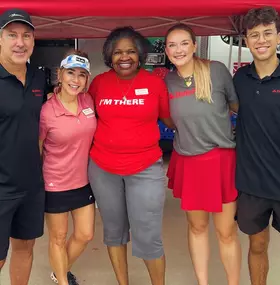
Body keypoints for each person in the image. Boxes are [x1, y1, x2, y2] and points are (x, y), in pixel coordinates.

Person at [88, 26, 173, 285]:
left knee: (148, 235)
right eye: (118, 52)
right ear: (109, 56)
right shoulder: (99, 83)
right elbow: (83, 113)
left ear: (140, 55)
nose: (124, 57)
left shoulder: (155, 84)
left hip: (145, 168)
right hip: (103, 168)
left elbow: (169, 119)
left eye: (131, 52)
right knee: (114, 233)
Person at [164, 24, 241, 285]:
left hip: (220, 160)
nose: (178, 49)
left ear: (195, 45)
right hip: (188, 160)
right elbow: (170, 120)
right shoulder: (167, 81)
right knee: (197, 227)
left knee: (226, 231)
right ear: (166, 50)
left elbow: (235, 106)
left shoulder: (216, 71)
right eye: (172, 45)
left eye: (184, 43)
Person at [234, 6, 280, 285]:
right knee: (257, 246)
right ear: (246, 40)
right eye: (254, 35)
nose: (261, 40)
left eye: (267, 33)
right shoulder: (240, 79)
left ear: (279, 36)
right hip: (252, 185)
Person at [39, 50, 97, 285]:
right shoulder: (47, 111)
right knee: (58, 238)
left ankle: (60, 270)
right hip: (55, 182)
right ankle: (62, 280)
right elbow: (38, 147)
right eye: (71, 73)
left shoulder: (88, 101)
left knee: (85, 234)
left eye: (82, 75)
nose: (76, 80)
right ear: (60, 75)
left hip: (83, 181)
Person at [0, 8, 47, 285]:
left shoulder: (38, 77)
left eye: (26, 35)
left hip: (31, 184)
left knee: (24, 248)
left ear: (33, 40)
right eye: (12, 35)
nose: (20, 42)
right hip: (0, 187)